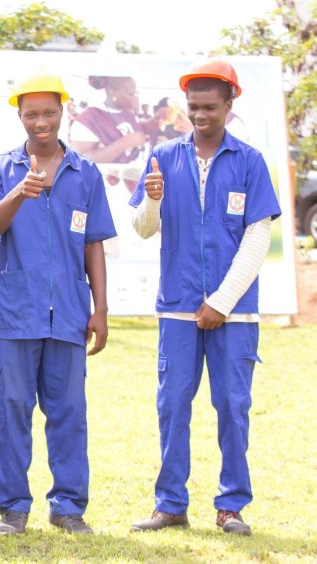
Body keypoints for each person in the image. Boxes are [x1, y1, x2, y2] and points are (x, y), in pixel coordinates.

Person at [129, 59, 280, 537]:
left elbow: (258, 240)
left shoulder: (250, 161)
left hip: (234, 314)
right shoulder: (164, 157)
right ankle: (171, 504)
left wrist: (221, 301)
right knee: (172, 405)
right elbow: (144, 230)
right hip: (176, 306)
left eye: (210, 107)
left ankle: (231, 505)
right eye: (193, 107)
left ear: (229, 105)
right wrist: (152, 199)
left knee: (233, 406)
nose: (200, 115)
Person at [0, 74, 116, 535]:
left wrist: (100, 307)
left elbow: (93, 243)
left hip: (71, 313)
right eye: (31, 114)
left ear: (63, 112)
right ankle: (13, 508)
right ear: (19, 115)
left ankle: (69, 506)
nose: (41, 122)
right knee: (12, 410)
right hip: (17, 312)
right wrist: (19, 192)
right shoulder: (0, 168)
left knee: (69, 413)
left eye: (49, 113)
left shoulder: (86, 173)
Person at [69, 75, 148, 164]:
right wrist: (125, 142)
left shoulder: (128, 114)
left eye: (136, 93)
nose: (135, 97)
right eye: (131, 93)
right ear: (113, 92)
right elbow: (80, 159)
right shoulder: (88, 118)